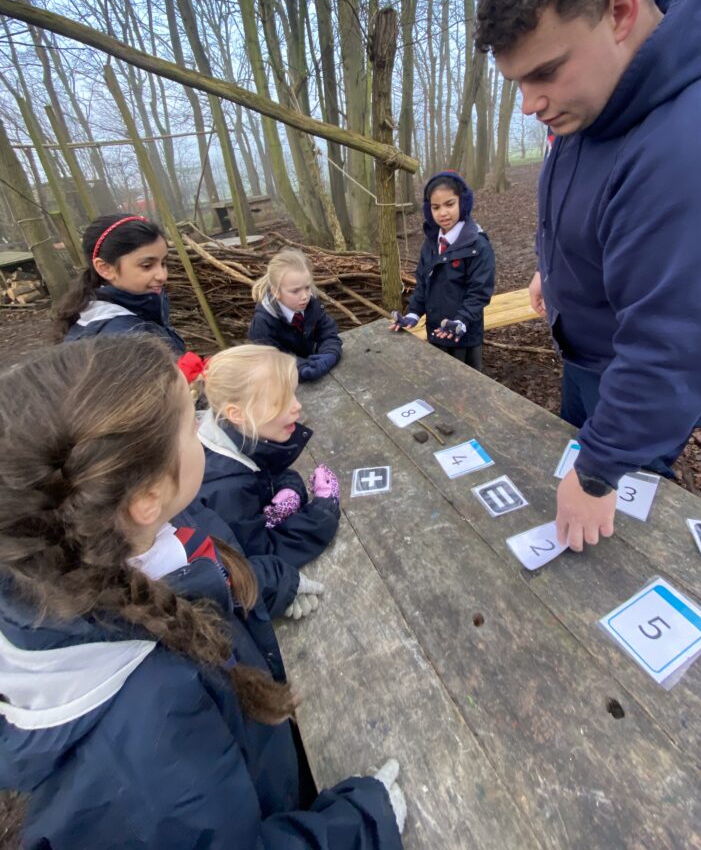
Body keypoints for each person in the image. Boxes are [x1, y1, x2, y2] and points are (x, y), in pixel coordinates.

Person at [0, 336, 406, 848]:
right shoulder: (146, 741)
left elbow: (202, 567)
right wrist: (361, 824)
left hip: (261, 760)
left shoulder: (115, 538)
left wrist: (273, 582)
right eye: (192, 425)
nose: (205, 429)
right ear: (147, 496)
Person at [475, 0, 701, 550]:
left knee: (610, 531)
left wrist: (601, 469)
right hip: (594, 343)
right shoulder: (603, 87)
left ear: (622, 12)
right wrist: (555, 268)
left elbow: (676, 348)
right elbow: (589, 188)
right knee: (577, 447)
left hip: (642, 368)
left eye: (543, 73)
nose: (529, 104)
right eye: (517, 82)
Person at [196, 345, 341, 586]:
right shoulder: (226, 490)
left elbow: (264, 470)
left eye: (294, 394)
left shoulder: (232, 434)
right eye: (280, 401)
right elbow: (261, 557)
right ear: (237, 414)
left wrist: (288, 488)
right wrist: (322, 512)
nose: (297, 406)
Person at [390, 171, 495, 371]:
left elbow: (479, 292)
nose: (443, 213)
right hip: (435, 333)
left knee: (464, 391)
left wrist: (461, 321)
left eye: (449, 204)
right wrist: (413, 313)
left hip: (464, 337)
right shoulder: (431, 244)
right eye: (436, 207)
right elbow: (423, 284)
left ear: (462, 203)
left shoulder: (478, 246)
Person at [54, 213, 185, 354]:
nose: (162, 276)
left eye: (163, 263)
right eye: (147, 265)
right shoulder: (123, 340)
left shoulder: (136, 309)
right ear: (105, 268)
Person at [248, 248, 342, 382]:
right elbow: (272, 360)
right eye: (295, 291)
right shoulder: (263, 323)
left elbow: (329, 333)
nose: (305, 296)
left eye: (307, 287)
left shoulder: (313, 306)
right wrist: (303, 368)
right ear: (276, 292)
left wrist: (330, 354)